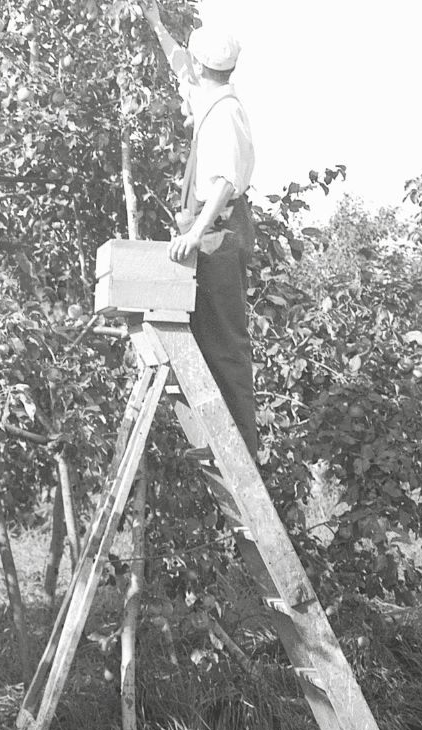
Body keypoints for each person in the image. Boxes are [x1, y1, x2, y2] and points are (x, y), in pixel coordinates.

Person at [140, 1, 260, 455]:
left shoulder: (225, 112)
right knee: (206, 337)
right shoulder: (208, 94)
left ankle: (239, 448)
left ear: (204, 63)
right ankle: (219, 438)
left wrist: (195, 233)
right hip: (212, 232)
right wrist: (156, 25)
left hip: (221, 230)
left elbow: (227, 182)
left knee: (226, 345)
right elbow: (181, 69)